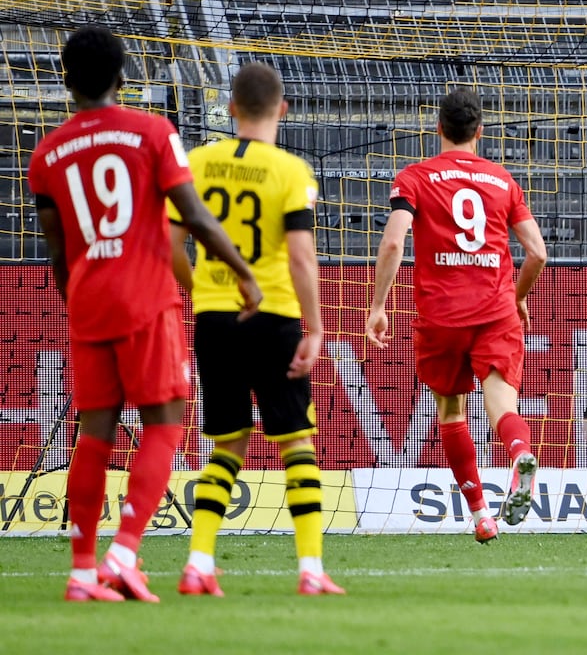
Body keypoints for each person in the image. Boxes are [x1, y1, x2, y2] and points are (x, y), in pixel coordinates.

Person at [27, 25, 263, 603]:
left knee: (93, 436)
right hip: (145, 296)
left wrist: (76, 301)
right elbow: (198, 219)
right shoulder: (153, 132)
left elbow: (56, 252)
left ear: (64, 80)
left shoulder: (45, 153)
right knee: (163, 423)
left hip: (87, 302)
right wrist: (241, 271)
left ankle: (83, 574)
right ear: (123, 76)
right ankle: (125, 552)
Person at [168, 62, 344, 596]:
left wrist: (199, 288)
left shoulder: (197, 161)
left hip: (216, 315)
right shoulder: (292, 171)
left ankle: (199, 562)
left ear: (231, 109)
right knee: (296, 444)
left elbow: (169, 241)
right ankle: (311, 570)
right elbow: (300, 256)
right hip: (275, 318)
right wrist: (314, 328)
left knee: (226, 446)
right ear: (283, 110)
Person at [366, 87, 548, 542]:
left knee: (451, 412)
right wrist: (519, 296)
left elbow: (393, 242)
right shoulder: (503, 181)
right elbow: (537, 253)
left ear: (438, 129)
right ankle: (520, 452)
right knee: (502, 404)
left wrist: (378, 305)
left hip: (442, 316)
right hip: (495, 310)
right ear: (480, 132)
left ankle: (481, 514)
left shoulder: (415, 178)